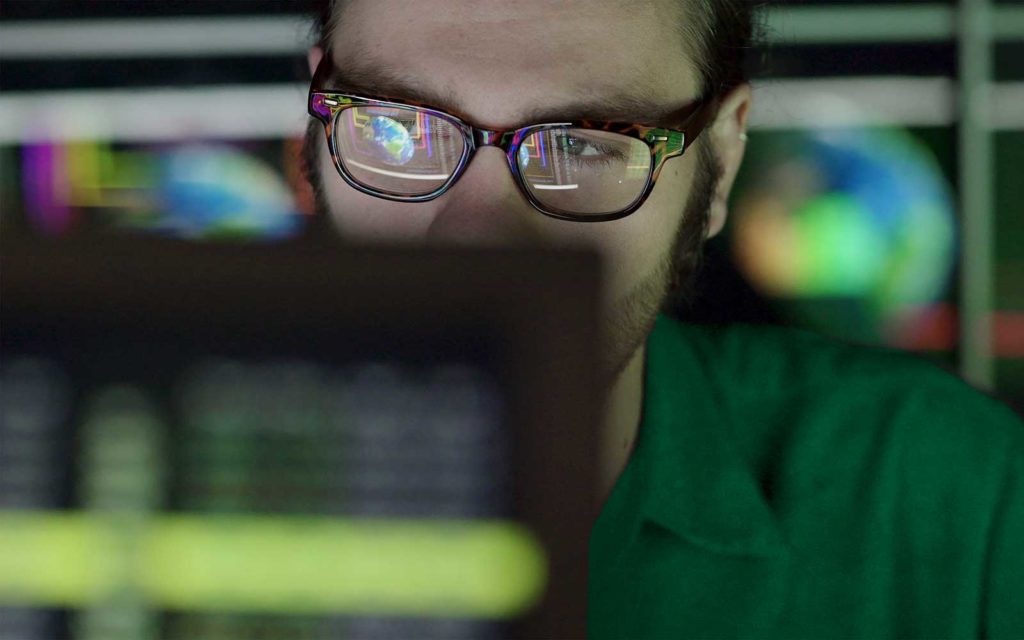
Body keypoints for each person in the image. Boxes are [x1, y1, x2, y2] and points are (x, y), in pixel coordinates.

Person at [301, 0, 1024, 636]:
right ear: (315, 128)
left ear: (722, 162)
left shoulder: (962, 498)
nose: (478, 240)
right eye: (398, 129)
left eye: (583, 143)